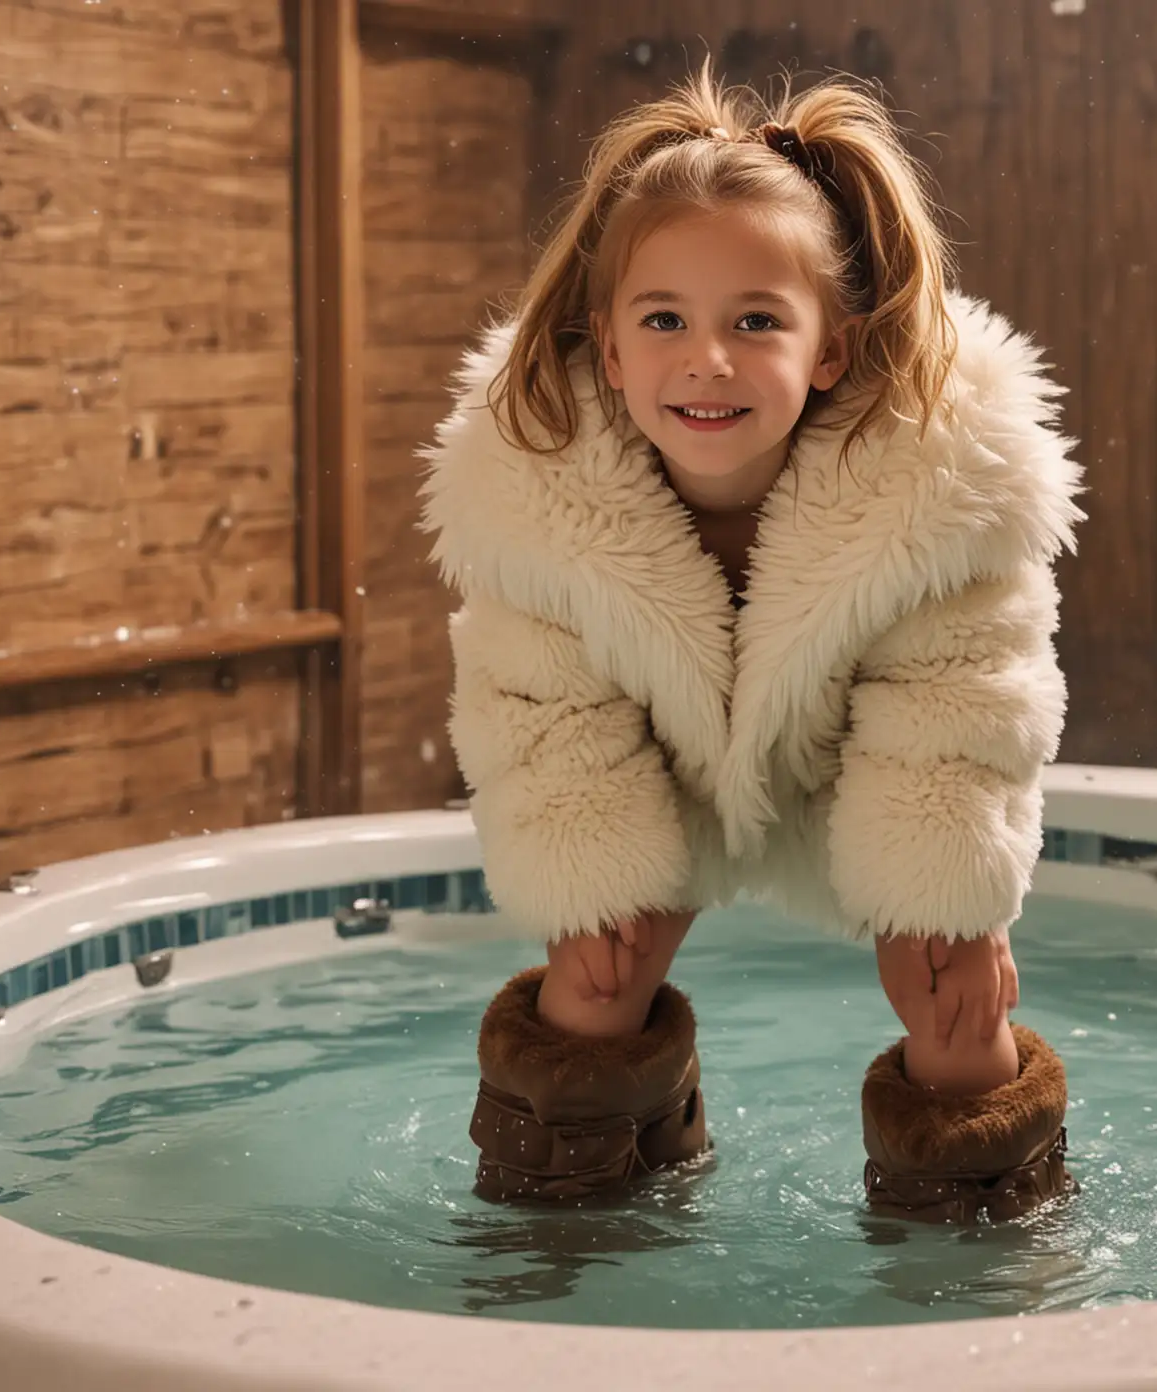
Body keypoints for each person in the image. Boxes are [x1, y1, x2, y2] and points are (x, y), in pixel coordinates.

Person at [421, 62, 1081, 1223]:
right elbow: (538, 708)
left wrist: (950, 897)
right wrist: (592, 870)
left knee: (952, 995)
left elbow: (961, 694)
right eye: (663, 319)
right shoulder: (537, 502)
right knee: (591, 980)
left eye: (757, 322)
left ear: (830, 348)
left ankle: (984, 1240)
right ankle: (578, 1218)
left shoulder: (935, 491)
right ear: (608, 348)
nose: (707, 360)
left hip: (864, 770)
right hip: (656, 770)